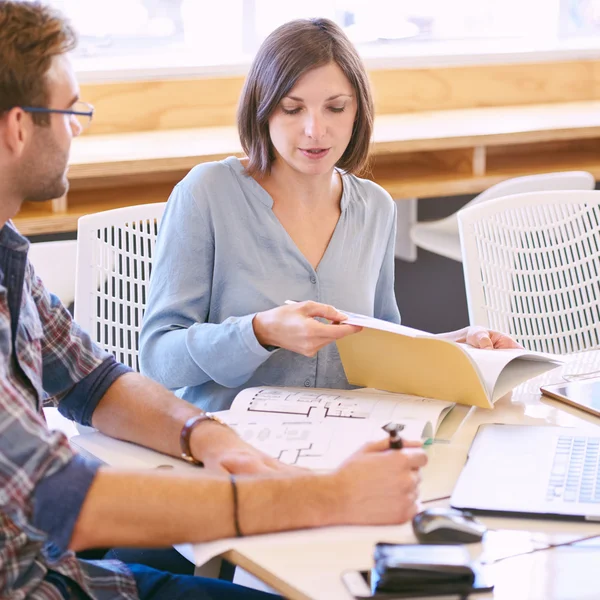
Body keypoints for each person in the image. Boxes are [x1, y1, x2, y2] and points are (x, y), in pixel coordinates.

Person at [0, 3, 429, 598]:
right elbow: (63, 496)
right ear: (19, 127)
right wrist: (320, 496)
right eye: (71, 110)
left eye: (335, 108)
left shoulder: (9, 256)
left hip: (49, 560)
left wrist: (204, 433)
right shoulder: (210, 193)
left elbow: (91, 382)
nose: (80, 126)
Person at [139, 17, 520, 412]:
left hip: (346, 440)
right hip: (229, 443)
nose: (315, 130)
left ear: (357, 112)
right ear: (263, 110)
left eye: (335, 108)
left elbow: (383, 350)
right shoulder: (207, 193)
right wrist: (259, 332)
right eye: (292, 109)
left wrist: (462, 349)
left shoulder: (375, 207)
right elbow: (157, 358)